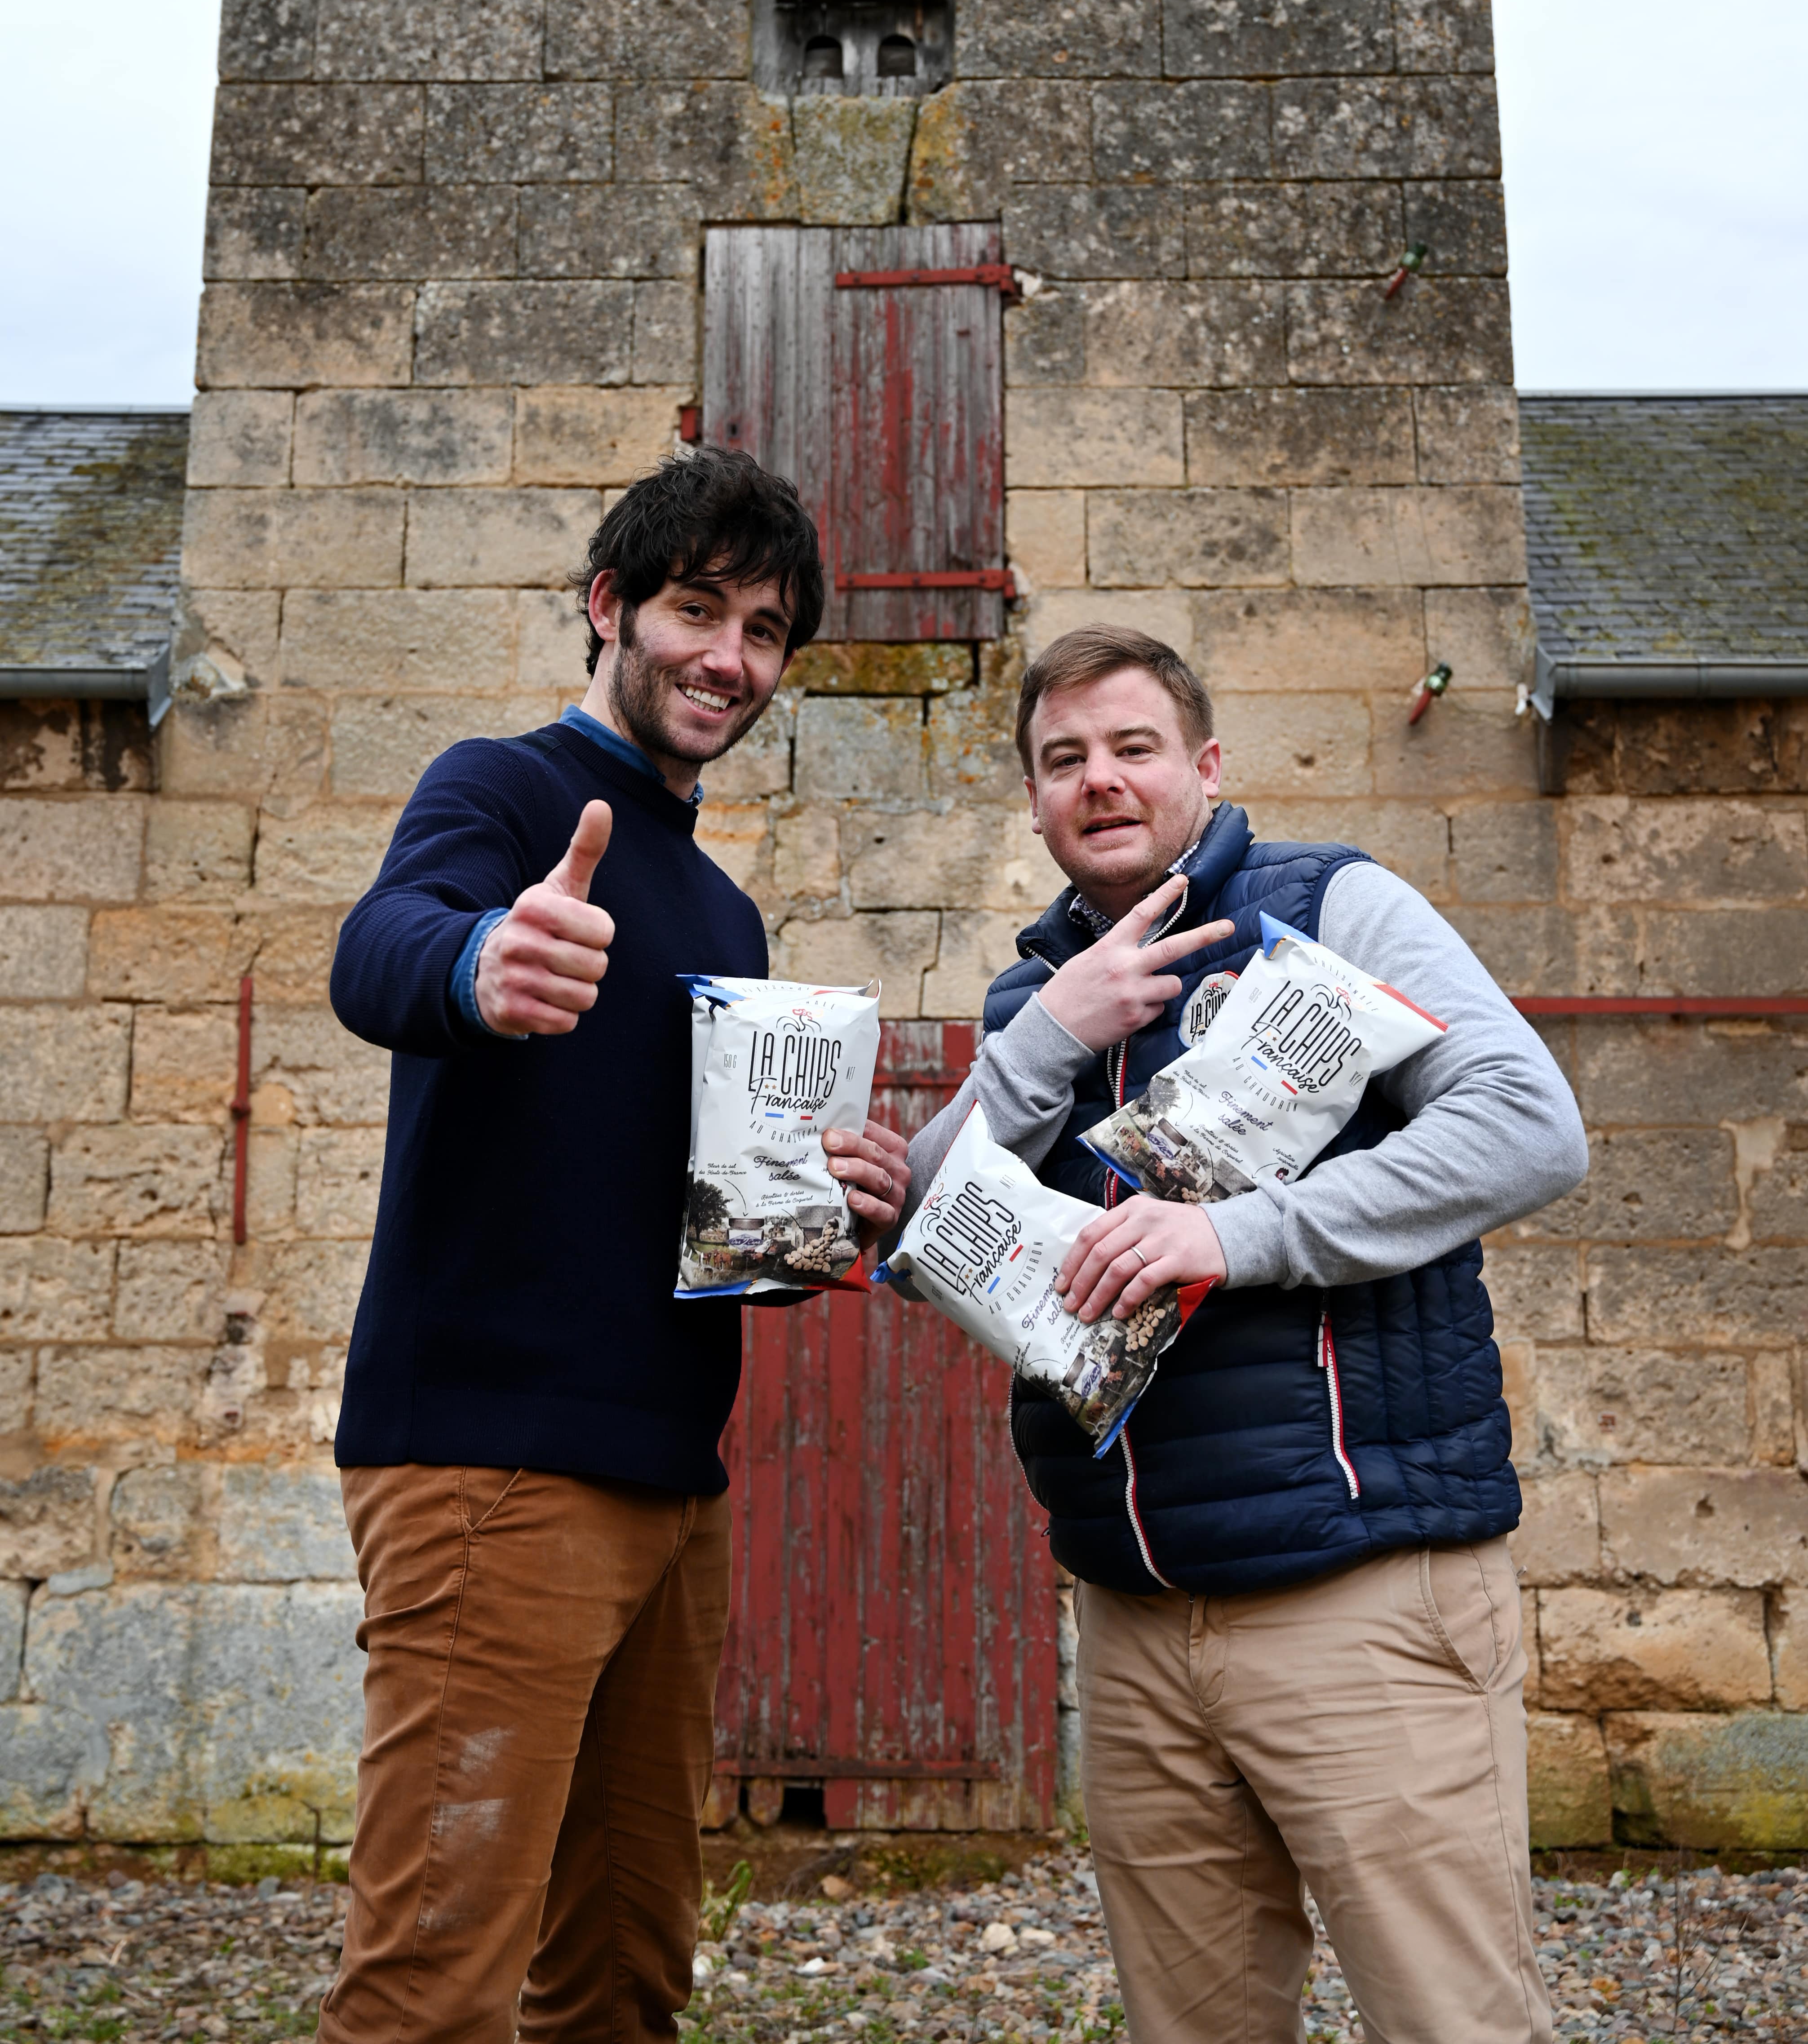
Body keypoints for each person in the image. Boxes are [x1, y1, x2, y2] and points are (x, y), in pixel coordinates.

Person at [882, 624, 1587, 2044]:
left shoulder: (1333, 909)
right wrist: (1042, 1044)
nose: (1100, 780)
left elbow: (1530, 1128)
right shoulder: (1035, 1000)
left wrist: (1232, 1235)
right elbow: (923, 1240)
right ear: (1031, 800)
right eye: (1063, 759)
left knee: (1453, 2023)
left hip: (1362, 1602)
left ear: (1206, 767)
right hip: (1136, 1623)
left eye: (1134, 748)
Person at [321, 448, 910, 2044]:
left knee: (629, 1974)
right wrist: (476, 965)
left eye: (767, 630)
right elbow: (380, 951)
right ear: (609, 607)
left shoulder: (726, 919)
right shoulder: (502, 792)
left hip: (670, 1483)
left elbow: (699, 1218)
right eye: (694, 607)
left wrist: (824, 1200)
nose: (728, 656)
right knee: (433, 1981)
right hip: (489, 1466)